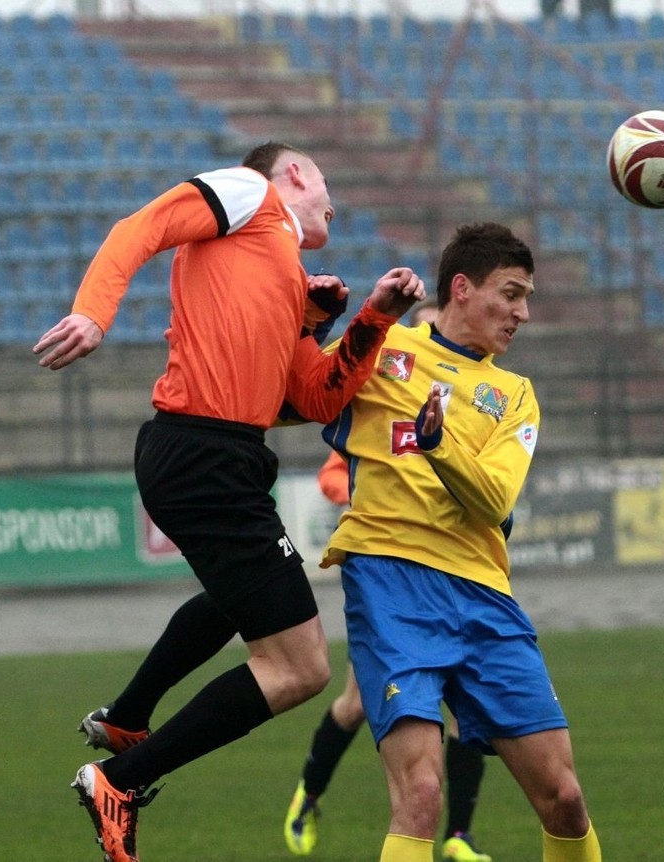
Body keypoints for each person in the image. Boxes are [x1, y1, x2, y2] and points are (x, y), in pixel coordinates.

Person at [32, 140, 425, 862]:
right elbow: (138, 229)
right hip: (202, 452)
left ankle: (127, 720)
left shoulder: (284, 271)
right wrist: (94, 313)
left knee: (243, 603)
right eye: (327, 178)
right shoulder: (251, 193)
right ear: (298, 172)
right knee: (301, 667)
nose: (333, 201)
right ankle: (117, 779)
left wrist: (368, 318)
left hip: (223, 459)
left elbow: (312, 396)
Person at [316, 222, 602, 862]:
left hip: (482, 595)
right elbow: (299, 396)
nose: (522, 313)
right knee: (420, 793)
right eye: (511, 293)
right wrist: (318, 323)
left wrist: (436, 441)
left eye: (527, 297)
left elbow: (494, 500)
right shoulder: (384, 347)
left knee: (564, 798)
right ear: (463, 288)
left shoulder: (516, 397)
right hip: (390, 582)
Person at [284, 302, 494, 862]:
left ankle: (459, 835)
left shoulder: (469, 404)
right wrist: (372, 495)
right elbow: (336, 470)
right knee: (354, 703)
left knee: (461, 713)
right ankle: (310, 793)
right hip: (391, 582)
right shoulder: (386, 393)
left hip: (449, 579)